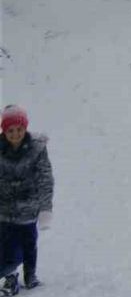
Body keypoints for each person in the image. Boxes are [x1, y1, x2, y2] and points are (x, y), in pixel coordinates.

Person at [0, 106, 53, 294]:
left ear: (25, 128)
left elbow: (45, 179)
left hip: (29, 207)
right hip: (4, 209)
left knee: (28, 244)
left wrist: (45, 208)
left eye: (19, 129)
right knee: (7, 247)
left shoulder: (36, 149)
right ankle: (11, 277)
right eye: (10, 130)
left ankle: (30, 275)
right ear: (4, 131)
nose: (15, 134)